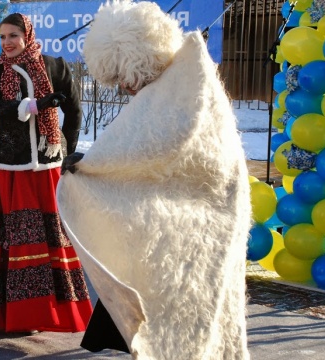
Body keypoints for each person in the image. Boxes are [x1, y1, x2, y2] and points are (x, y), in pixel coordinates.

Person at [57, 1, 252, 359]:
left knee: (194, 301)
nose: (121, 88)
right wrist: (94, 164)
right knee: (162, 294)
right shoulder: (169, 84)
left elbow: (163, 147)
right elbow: (145, 150)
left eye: (120, 76)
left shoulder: (184, 85)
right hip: (185, 212)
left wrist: (96, 164)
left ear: (136, 58)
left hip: (206, 214)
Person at [0, 13, 93, 333]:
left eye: (13, 36)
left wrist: (66, 150)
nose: (7, 43)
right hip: (12, 166)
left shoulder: (54, 65)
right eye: (2, 37)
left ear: (27, 35)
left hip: (46, 164)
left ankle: (47, 311)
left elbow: (73, 109)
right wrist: (28, 106)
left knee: (50, 235)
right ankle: (12, 311)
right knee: (14, 234)